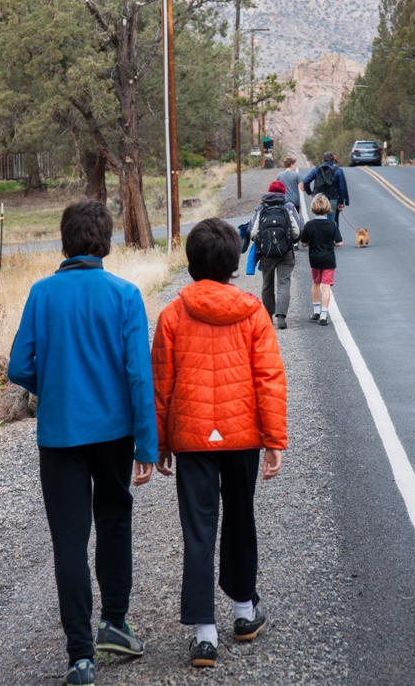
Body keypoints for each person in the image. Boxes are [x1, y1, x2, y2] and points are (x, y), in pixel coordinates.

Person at [8, 199, 158, 686]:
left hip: (59, 435)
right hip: (114, 433)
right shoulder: (125, 294)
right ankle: (114, 624)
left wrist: (51, 382)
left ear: (65, 239)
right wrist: (146, 444)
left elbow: (19, 366)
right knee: (114, 523)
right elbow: (139, 375)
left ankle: (79, 656)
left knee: (68, 541)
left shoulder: (42, 293)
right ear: (106, 240)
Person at [152, 218, 287, 668]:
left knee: (198, 531)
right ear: (233, 262)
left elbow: (161, 385)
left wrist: (160, 443)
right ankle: (244, 613)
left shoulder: (173, 314)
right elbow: (268, 379)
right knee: (240, 518)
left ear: (191, 264)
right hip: (242, 437)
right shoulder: (253, 311)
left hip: (192, 440)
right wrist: (273, 439)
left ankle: (204, 634)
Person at [249, 179, 302, 330]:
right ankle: (281, 317)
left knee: (267, 284)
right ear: (283, 193)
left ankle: (267, 317)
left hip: (266, 253)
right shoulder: (289, 206)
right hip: (285, 252)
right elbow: (297, 231)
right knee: (284, 283)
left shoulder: (261, 207)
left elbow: (253, 233)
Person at [300, 193, 341, 326]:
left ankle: (316, 310)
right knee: (326, 285)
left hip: (314, 258)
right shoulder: (332, 224)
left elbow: (304, 243)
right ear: (327, 207)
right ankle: (324, 314)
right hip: (328, 259)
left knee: (316, 282)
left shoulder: (309, 225)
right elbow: (339, 242)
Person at [300, 151, 349, 232]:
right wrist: (341, 202)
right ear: (333, 160)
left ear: (323, 160)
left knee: (319, 219)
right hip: (332, 198)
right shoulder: (338, 171)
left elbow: (305, 181)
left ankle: (320, 237)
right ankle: (332, 238)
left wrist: (310, 193)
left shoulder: (316, 169)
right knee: (332, 220)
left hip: (319, 199)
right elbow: (342, 188)